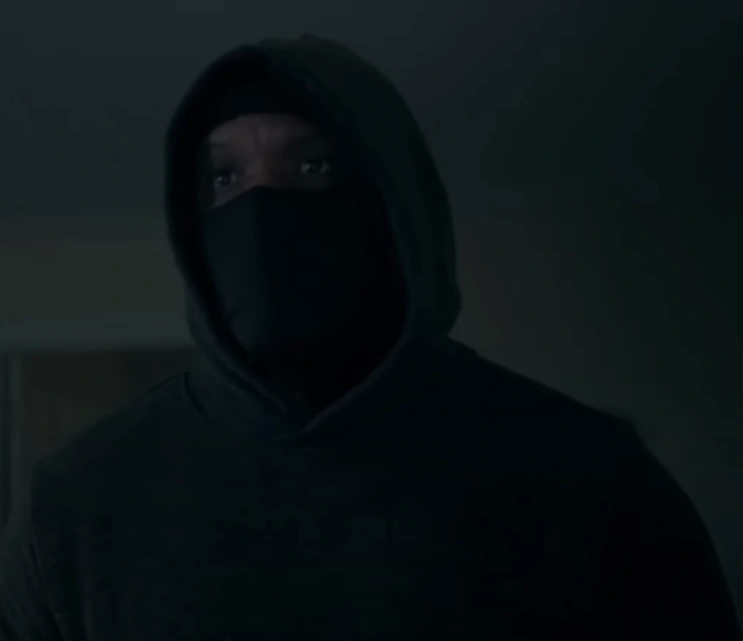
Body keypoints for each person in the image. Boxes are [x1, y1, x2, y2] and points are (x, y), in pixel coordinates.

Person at [0, 34, 740, 641]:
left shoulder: (589, 480)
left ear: (392, 204)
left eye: (311, 165)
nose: (262, 209)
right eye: (224, 176)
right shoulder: (74, 506)